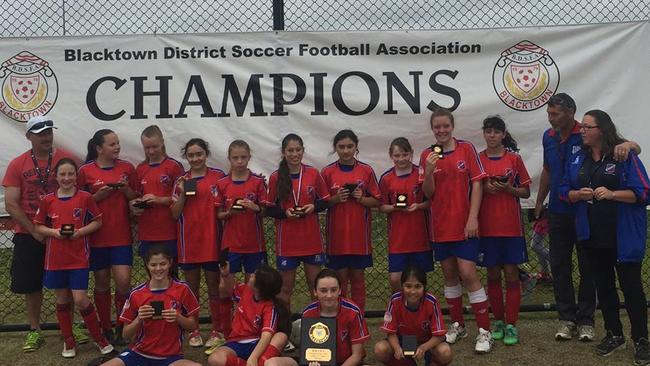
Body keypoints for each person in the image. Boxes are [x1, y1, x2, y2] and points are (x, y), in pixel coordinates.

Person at [534, 93, 641, 341]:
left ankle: (586, 320)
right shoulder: (548, 137)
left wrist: (630, 145)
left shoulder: (587, 133)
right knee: (560, 266)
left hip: (586, 213)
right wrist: (540, 201)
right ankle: (566, 318)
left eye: (555, 114)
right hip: (559, 210)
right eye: (549, 114)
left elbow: (628, 146)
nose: (550, 119)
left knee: (588, 268)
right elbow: (548, 170)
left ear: (570, 112)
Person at [560, 110, 650, 365]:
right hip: (592, 234)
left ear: (602, 129)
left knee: (632, 289)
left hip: (622, 236)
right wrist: (576, 195)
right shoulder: (579, 156)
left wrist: (612, 194)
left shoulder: (623, 155)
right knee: (605, 287)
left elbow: (643, 192)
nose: (583, 131)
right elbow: (564, 189)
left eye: (588, 127)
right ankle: (614, 334)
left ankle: (641, 339)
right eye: (583, 127)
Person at [418, 108, 493, 353]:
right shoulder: (427, 155)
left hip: (465, 225)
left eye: (445, 126)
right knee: (450, 274)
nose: (441, 131)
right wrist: (429, 171)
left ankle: (484, 331)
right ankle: (458, 324)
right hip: (440, 227)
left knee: (468, 273)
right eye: (437, 127)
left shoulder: (466, 149)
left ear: (452, 126)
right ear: (432, 129)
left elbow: (478, 184)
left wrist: (473, 218)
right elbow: (428, 193)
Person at [2, 115, 77, 351]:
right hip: (29, 233)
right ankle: (35, 330)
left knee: (67, 280)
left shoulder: (67, 158)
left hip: (62, 231)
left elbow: (79, 193)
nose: (46, 137)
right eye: (40, 133)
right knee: (31, 284)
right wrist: (34, 230)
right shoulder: (18, 164)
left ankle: (72, 327)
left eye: (48, 132)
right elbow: (12, 203)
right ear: (28, 137)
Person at [33, 158, 114, 358]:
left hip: (78, 257)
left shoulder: (85, 197)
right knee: (62, 300)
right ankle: (68, 341)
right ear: (56, 177)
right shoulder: (48, 200)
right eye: (63, 174)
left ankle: (99, 338)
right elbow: (38, 226)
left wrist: (81, 232)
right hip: (56, 259)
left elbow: (98, 221)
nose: (67, 178)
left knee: (80, 299)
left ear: (76, 176)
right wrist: (54, 233)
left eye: (71, 174)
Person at [208, 139, 269, 354]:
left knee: (254, 290)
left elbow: (265, 211)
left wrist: (254, 207)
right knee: (226, 289)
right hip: (231, 245)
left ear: (249, 157)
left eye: (243, 157)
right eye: (236, 158)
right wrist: (230, 213)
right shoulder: (222, 183)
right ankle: (225, 332)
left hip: (254, 245)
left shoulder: (258, 182)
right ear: (229, 158)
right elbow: (218, 214)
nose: (240, 161)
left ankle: (252, 330)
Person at [78, 129, 138, 345]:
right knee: (102, 282)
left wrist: (125, 190)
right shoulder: (85, 171)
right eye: (112, 144)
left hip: (121, 235)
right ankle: (105, 327)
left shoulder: (127, 168)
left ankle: (122, 326)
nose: (117, 147)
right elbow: (77, 203)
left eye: (118, 143)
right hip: (97, 237)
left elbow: (135, 198)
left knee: (123, 281)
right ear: (98, 148)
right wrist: (97, 197)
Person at [477, 116, 531, 346]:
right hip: (486, 227)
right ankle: (497, 320)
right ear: (484, 133)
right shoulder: (477, 159)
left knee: (510, 273)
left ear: (503, 134)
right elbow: (471, 188)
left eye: (496, 132)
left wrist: (509, 189)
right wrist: (483, 187)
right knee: (491, 274)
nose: (492, 135)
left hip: (510, 227)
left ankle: (511, 324)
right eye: (488, 131)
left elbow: (526, 192)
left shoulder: (514, 159)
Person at [100, 244, 201, 366]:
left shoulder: (182, 289)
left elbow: (193, 326)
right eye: (153, 265)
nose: (158, 269)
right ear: (147, 265)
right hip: (139, 354)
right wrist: (139, 319)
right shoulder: (136, 294)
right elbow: (125, 333)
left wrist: (178, 317)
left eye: (163, 264)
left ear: (170, 263)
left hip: (170, 357)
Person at [170, 138, 226, 348]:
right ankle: (193, 330)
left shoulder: (218, 177)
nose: (195, 158)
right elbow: (175, 214)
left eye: (199, 154)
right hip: (189, 243)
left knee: (214, 287)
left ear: (206, 154)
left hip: (212, 241)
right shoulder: (180, 181)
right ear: (186, 157)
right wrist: (184, 193)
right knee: (191, 289)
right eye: (191, 155)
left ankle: (217, 329)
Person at [266, 133, 330, 309]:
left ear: (303, 151)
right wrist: (285, 213)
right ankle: (284, 331)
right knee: (285, 289)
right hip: (287, 242)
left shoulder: (313, 173)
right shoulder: (275, 177)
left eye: (298, 150)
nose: (294, 154)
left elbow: (325, 201)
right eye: (290, 150)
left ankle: (320, 331)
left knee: (315, 287)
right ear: (283, 152)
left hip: (311, 239)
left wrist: (313, 207)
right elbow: (268, 208)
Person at [321, 129, 381, 312]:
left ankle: (358, 319)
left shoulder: (366, 170)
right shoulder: (327, 172)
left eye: (349, 146)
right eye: (341, 147)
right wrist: (336, 199)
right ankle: (342, 318)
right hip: (337, 240)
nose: (346, 151)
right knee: (339, 280)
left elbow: (377, 200)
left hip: (358, 239)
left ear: (356, 147)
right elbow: (321, 204)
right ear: (335, 148)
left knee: (358, 280)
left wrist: (361, 198)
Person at [265, 269, 370, 366]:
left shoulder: (352, 311)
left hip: (346, 363)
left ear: (340, 290)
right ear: (315, 292)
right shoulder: (308, 313)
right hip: (318, 363)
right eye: (323, 291)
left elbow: (357, 355)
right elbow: (309, 352)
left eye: (333, 290)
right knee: (272, 363)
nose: (329, 295)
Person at [378, 137, 432, 293]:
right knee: (395, 279)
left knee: (419, 280)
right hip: (398, 239)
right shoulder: (386, 178)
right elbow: (381, 206)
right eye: (397, 155)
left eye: (404, 154)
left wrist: (418, 206)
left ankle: (421, 312)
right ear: (391, 156)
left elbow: (431, 201)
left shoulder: (420, 173)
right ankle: (399, 309)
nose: (401, 159)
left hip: (420, 238)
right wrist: (394, 207)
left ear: (411, 154)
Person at [207, 263, 285, 366]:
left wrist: (254, 357)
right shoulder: (245, 291)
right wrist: (225, 275)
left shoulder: (270, 307)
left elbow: (266, 336)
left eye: (254, 275)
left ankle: (258, 362)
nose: (251, 275)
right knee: (215, 359)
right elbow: (228, 288)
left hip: (258, 343)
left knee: (280, 337)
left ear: (259, 287)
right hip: (236, 342)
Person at [374, 264, 452, 366]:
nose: (413, 291)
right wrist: (397, 348)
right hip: (405, 340)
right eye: (408, 286)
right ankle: (405, 363)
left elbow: (440, 336)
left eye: (418, 286)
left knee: (445, 352)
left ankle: (432, 362)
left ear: (424, 287)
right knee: (380, 349)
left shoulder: (431, 301)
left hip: (427, 341)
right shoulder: (395, 300)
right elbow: (390, 332)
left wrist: (423, 347)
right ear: (402, 286)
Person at [131, 125, 184, 270]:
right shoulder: (140, 168)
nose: (151, 151)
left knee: (170, 275)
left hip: (169, 231)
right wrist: (136, 204)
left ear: (162, 143)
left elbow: (181, 198)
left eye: (154, 146)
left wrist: (159, 200)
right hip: (147, 231)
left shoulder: (174, 166)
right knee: (153, 274)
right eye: (147, 148)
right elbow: (136, 196)